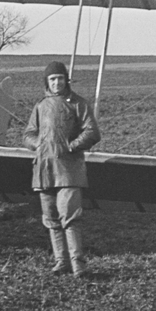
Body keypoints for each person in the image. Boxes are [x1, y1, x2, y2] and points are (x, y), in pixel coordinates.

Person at [23, 60, 101, 277]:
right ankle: (61, 262)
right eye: (52, 79)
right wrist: (36, 144)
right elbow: (28, 134)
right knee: (51, 218)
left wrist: (71, 146)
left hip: (68, 169)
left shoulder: (78, 103)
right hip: (44, 169)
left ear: (66, 79)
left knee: (70, 216)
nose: (56, 82)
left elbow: (92, 132)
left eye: (59, 78)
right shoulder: (41, 106)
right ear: (47, 82)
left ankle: (79, 265)